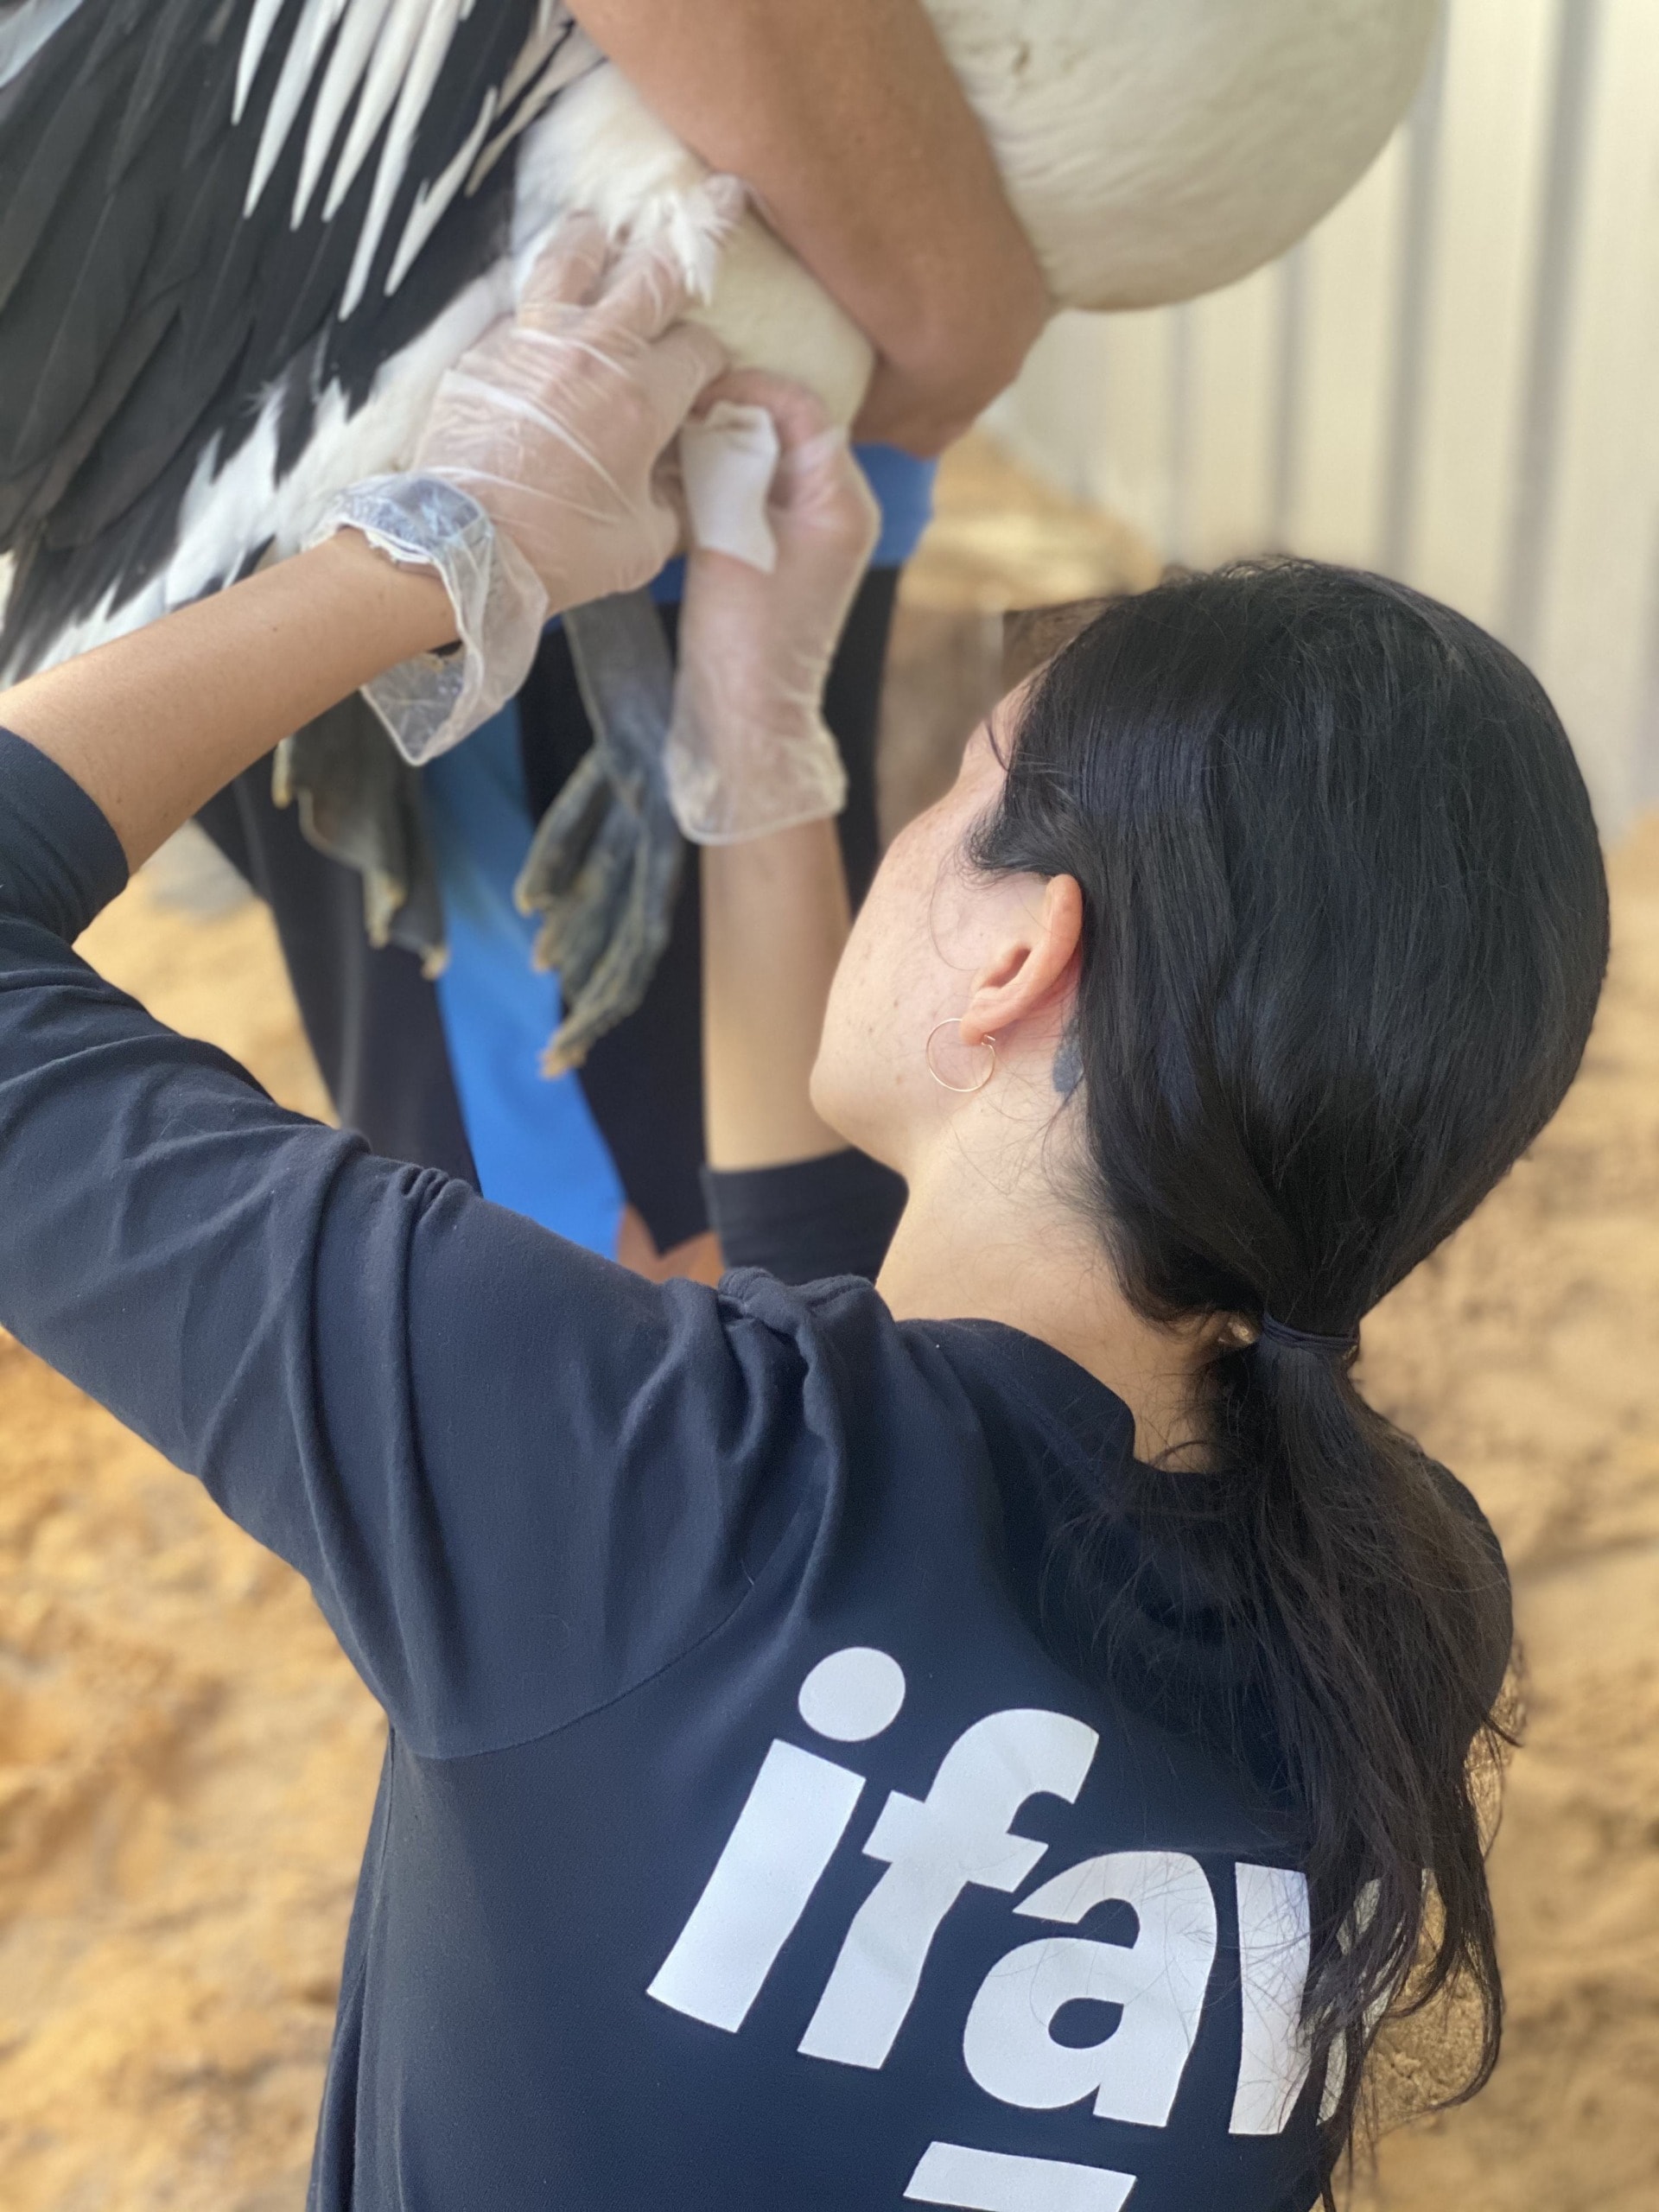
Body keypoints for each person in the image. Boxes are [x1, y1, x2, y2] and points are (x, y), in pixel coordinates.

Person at [0, 222, 1609, 2212]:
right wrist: (760, 759)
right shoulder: (1393, 1603)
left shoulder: (610, 1473)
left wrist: (436, 544)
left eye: (955, 787)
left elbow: (821, 1433)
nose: (905, 819)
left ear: (1027, 947)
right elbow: (884, 1407)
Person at [195, 0, 1049, 1278]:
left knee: (598, 1255)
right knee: (662, 1248)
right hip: (624, 475)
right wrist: (959, 310)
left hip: (562, 455)